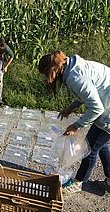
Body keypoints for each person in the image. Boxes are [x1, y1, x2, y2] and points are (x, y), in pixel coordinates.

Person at [38, 50, 110, 194]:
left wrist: (75, 126)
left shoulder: (74, 77)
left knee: (89, 148)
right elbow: (90, 90)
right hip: (107, 103)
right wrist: (72, 106)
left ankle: (77, 183)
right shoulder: (73, 66)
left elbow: (96, 108)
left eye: (46, 75)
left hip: (108, 111)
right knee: (101, 145)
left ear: (52, 70)